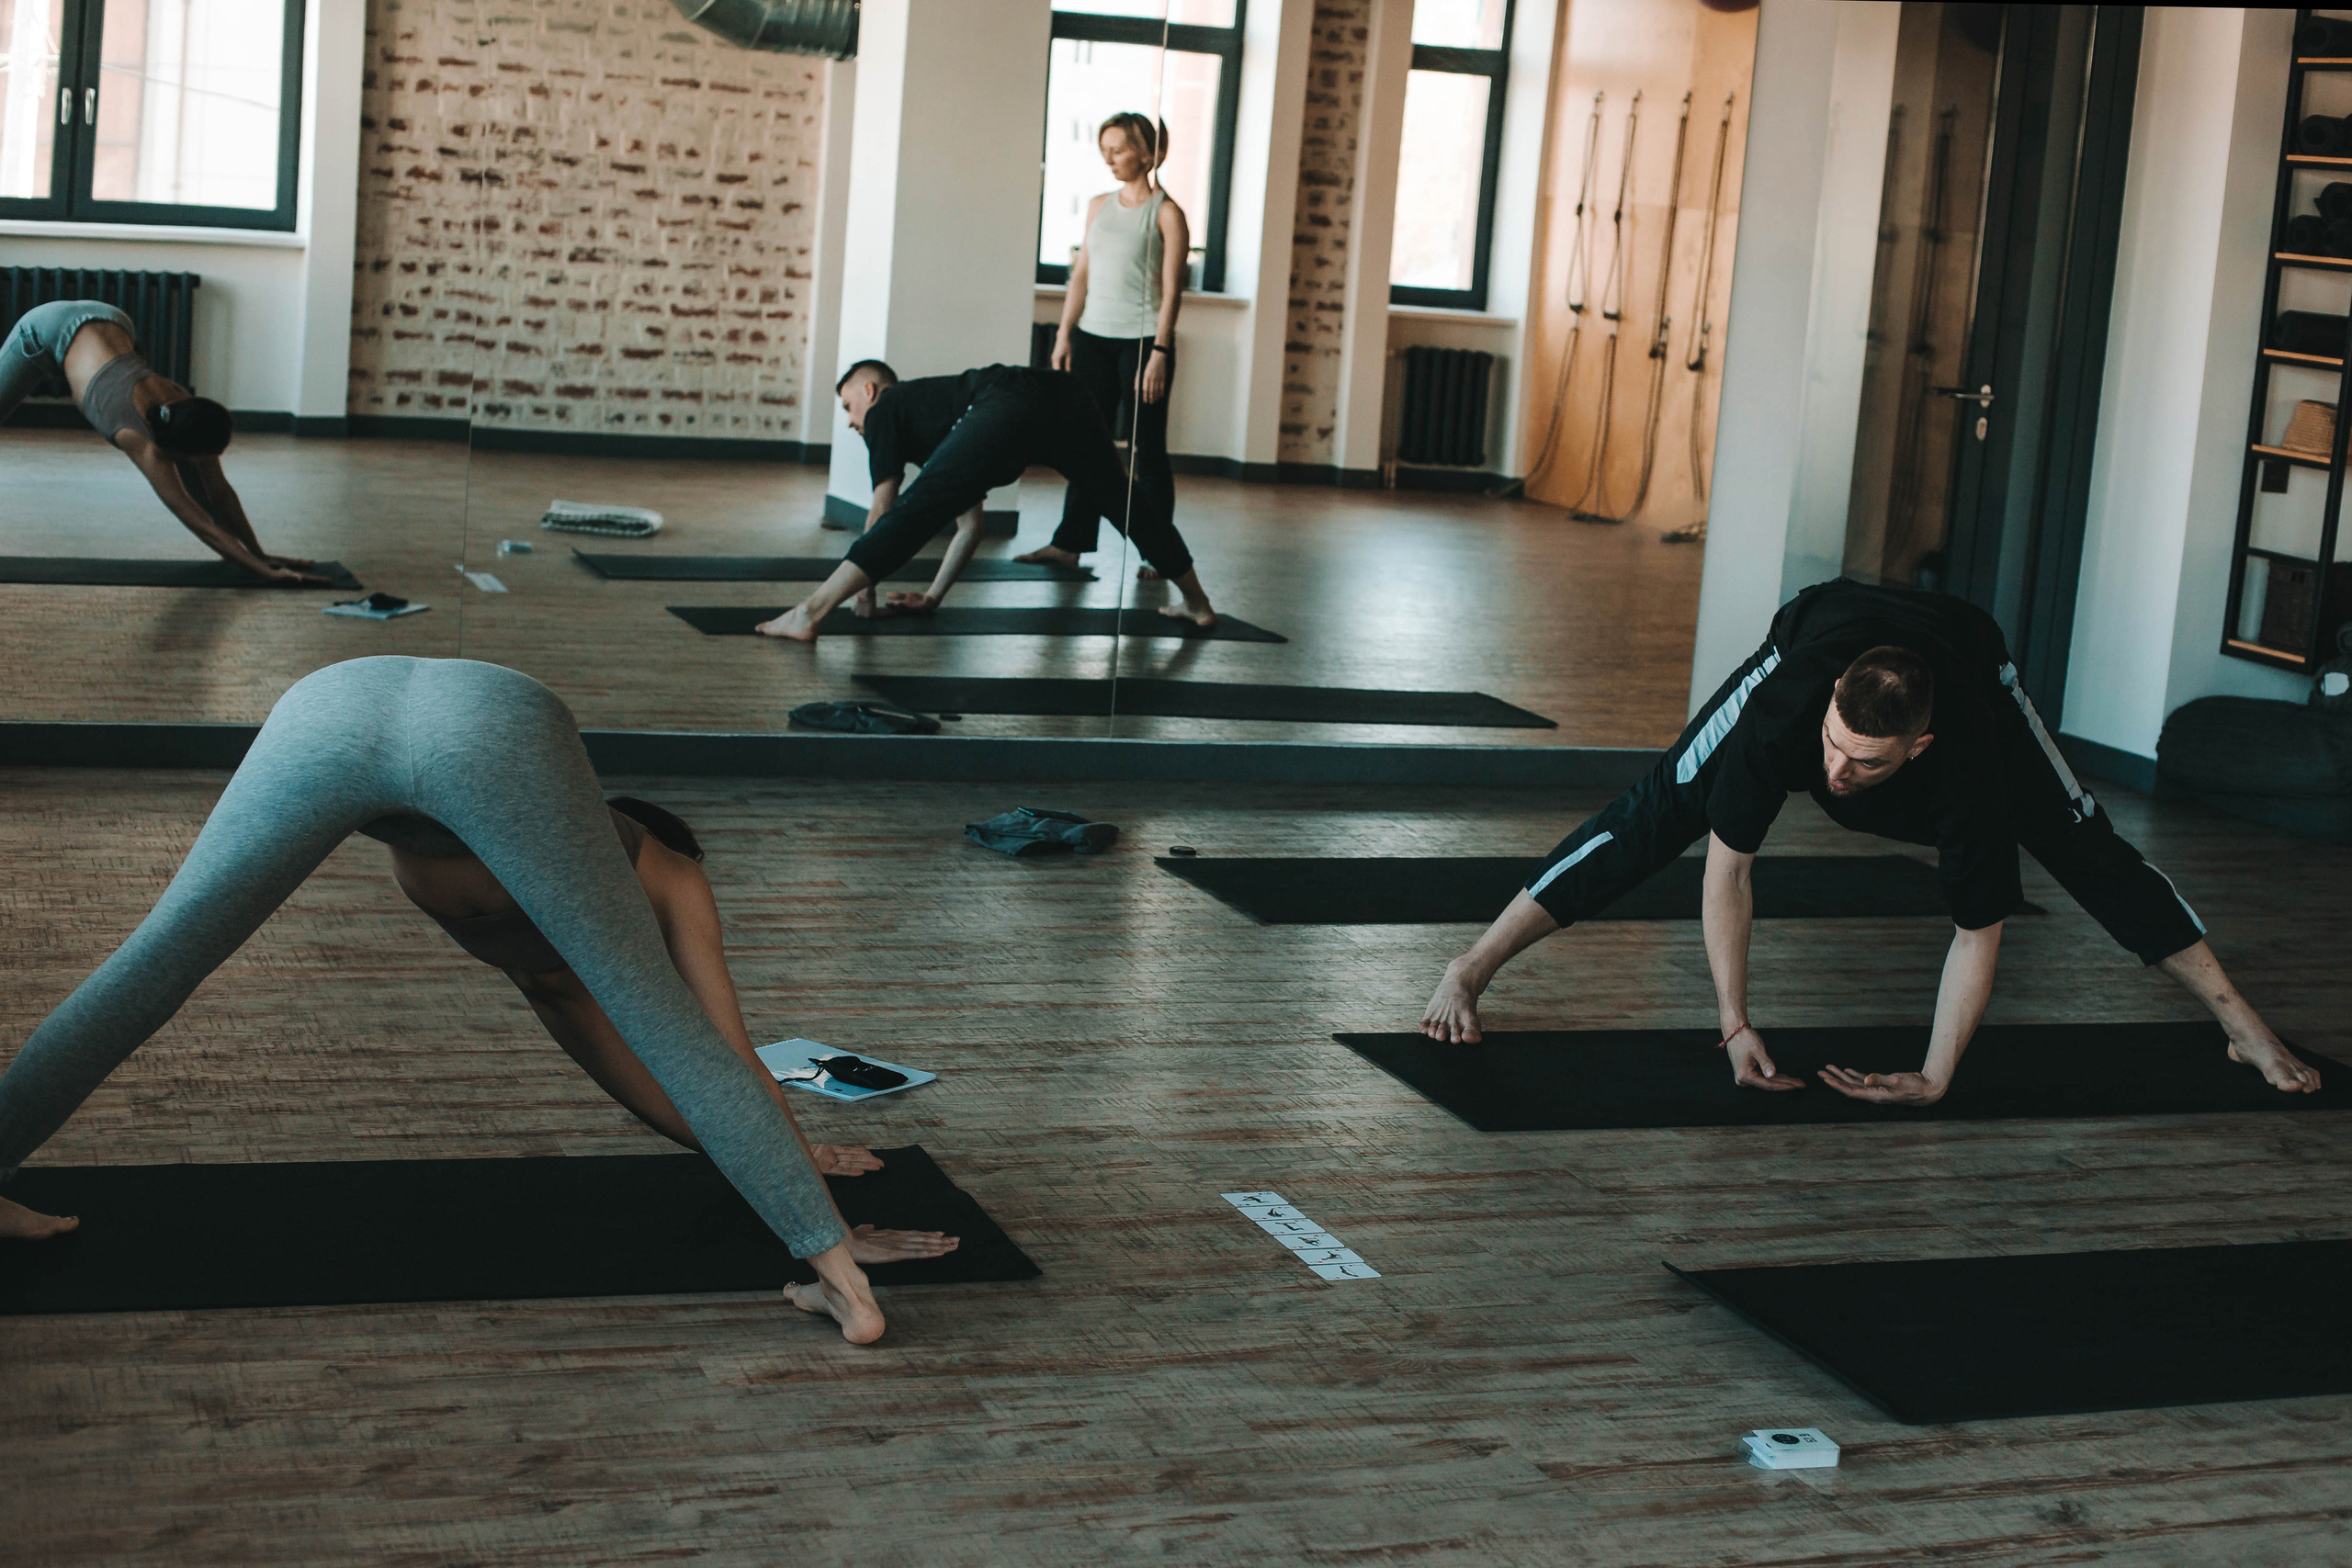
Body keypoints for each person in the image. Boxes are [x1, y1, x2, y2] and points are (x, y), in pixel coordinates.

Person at [0, 656, 952, 1343]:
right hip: (491, 726)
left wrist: (789, 1174)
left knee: (152, 962)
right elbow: (710, 1052)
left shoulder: (547, 928)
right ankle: (849, 1294)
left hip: (334, 699)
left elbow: (634, 1057)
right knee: (670, 1025)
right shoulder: (661, 872)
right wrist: (820, 1225)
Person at [1419, 579, 2322, 1104]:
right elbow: (1727, 873)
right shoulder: (1784, 715)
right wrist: (1733, 1025)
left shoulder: (1969, 761)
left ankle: (2241, 1025)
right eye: (1834, 754)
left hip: (1969, 659)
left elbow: (1977, 930)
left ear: (1918, 750)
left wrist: (1933, 1078)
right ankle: (1470, 965)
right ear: (1824, 718)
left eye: (1867, 764)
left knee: (2083, 842)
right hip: (1820, 629)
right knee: (1661, 809)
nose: (1839, 778)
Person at [756, 360, 1216, 641]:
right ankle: (1198, 604)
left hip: (1007, 396)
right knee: (1123, 501)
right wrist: (934, 597)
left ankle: (808, 612)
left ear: (870, 391)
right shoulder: (947, 427)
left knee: (918, 506)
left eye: (848, 406)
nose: (853, 422)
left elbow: (884, 507)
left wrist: (867, 593)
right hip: (1069, 398)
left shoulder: (886, 411)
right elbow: (970, 528)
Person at [0, 300, 325, 584]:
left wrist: (260, 554)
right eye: (196, 458)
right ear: (167, 450)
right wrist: (262, 571)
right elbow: (192, 516)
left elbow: (219, 493)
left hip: (112, 321)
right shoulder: (132, 433)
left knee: (203, 481)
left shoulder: (185, 410)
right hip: (47, 326)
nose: (206, 464)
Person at [1016, 111, 1190, 581]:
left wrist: (1160, 352)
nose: (1109, 159)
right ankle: (1069, 544)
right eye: (1104, 150)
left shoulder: (1168, 213)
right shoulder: (1098, 205)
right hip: (1092, 338)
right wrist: (1063, 335)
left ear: (1147, 154)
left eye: (1118, 150)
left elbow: (1172, 292)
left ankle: (1160, 554)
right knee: (1083, 444)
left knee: (1146, 450)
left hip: (1140, 345)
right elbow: (1081, 276)